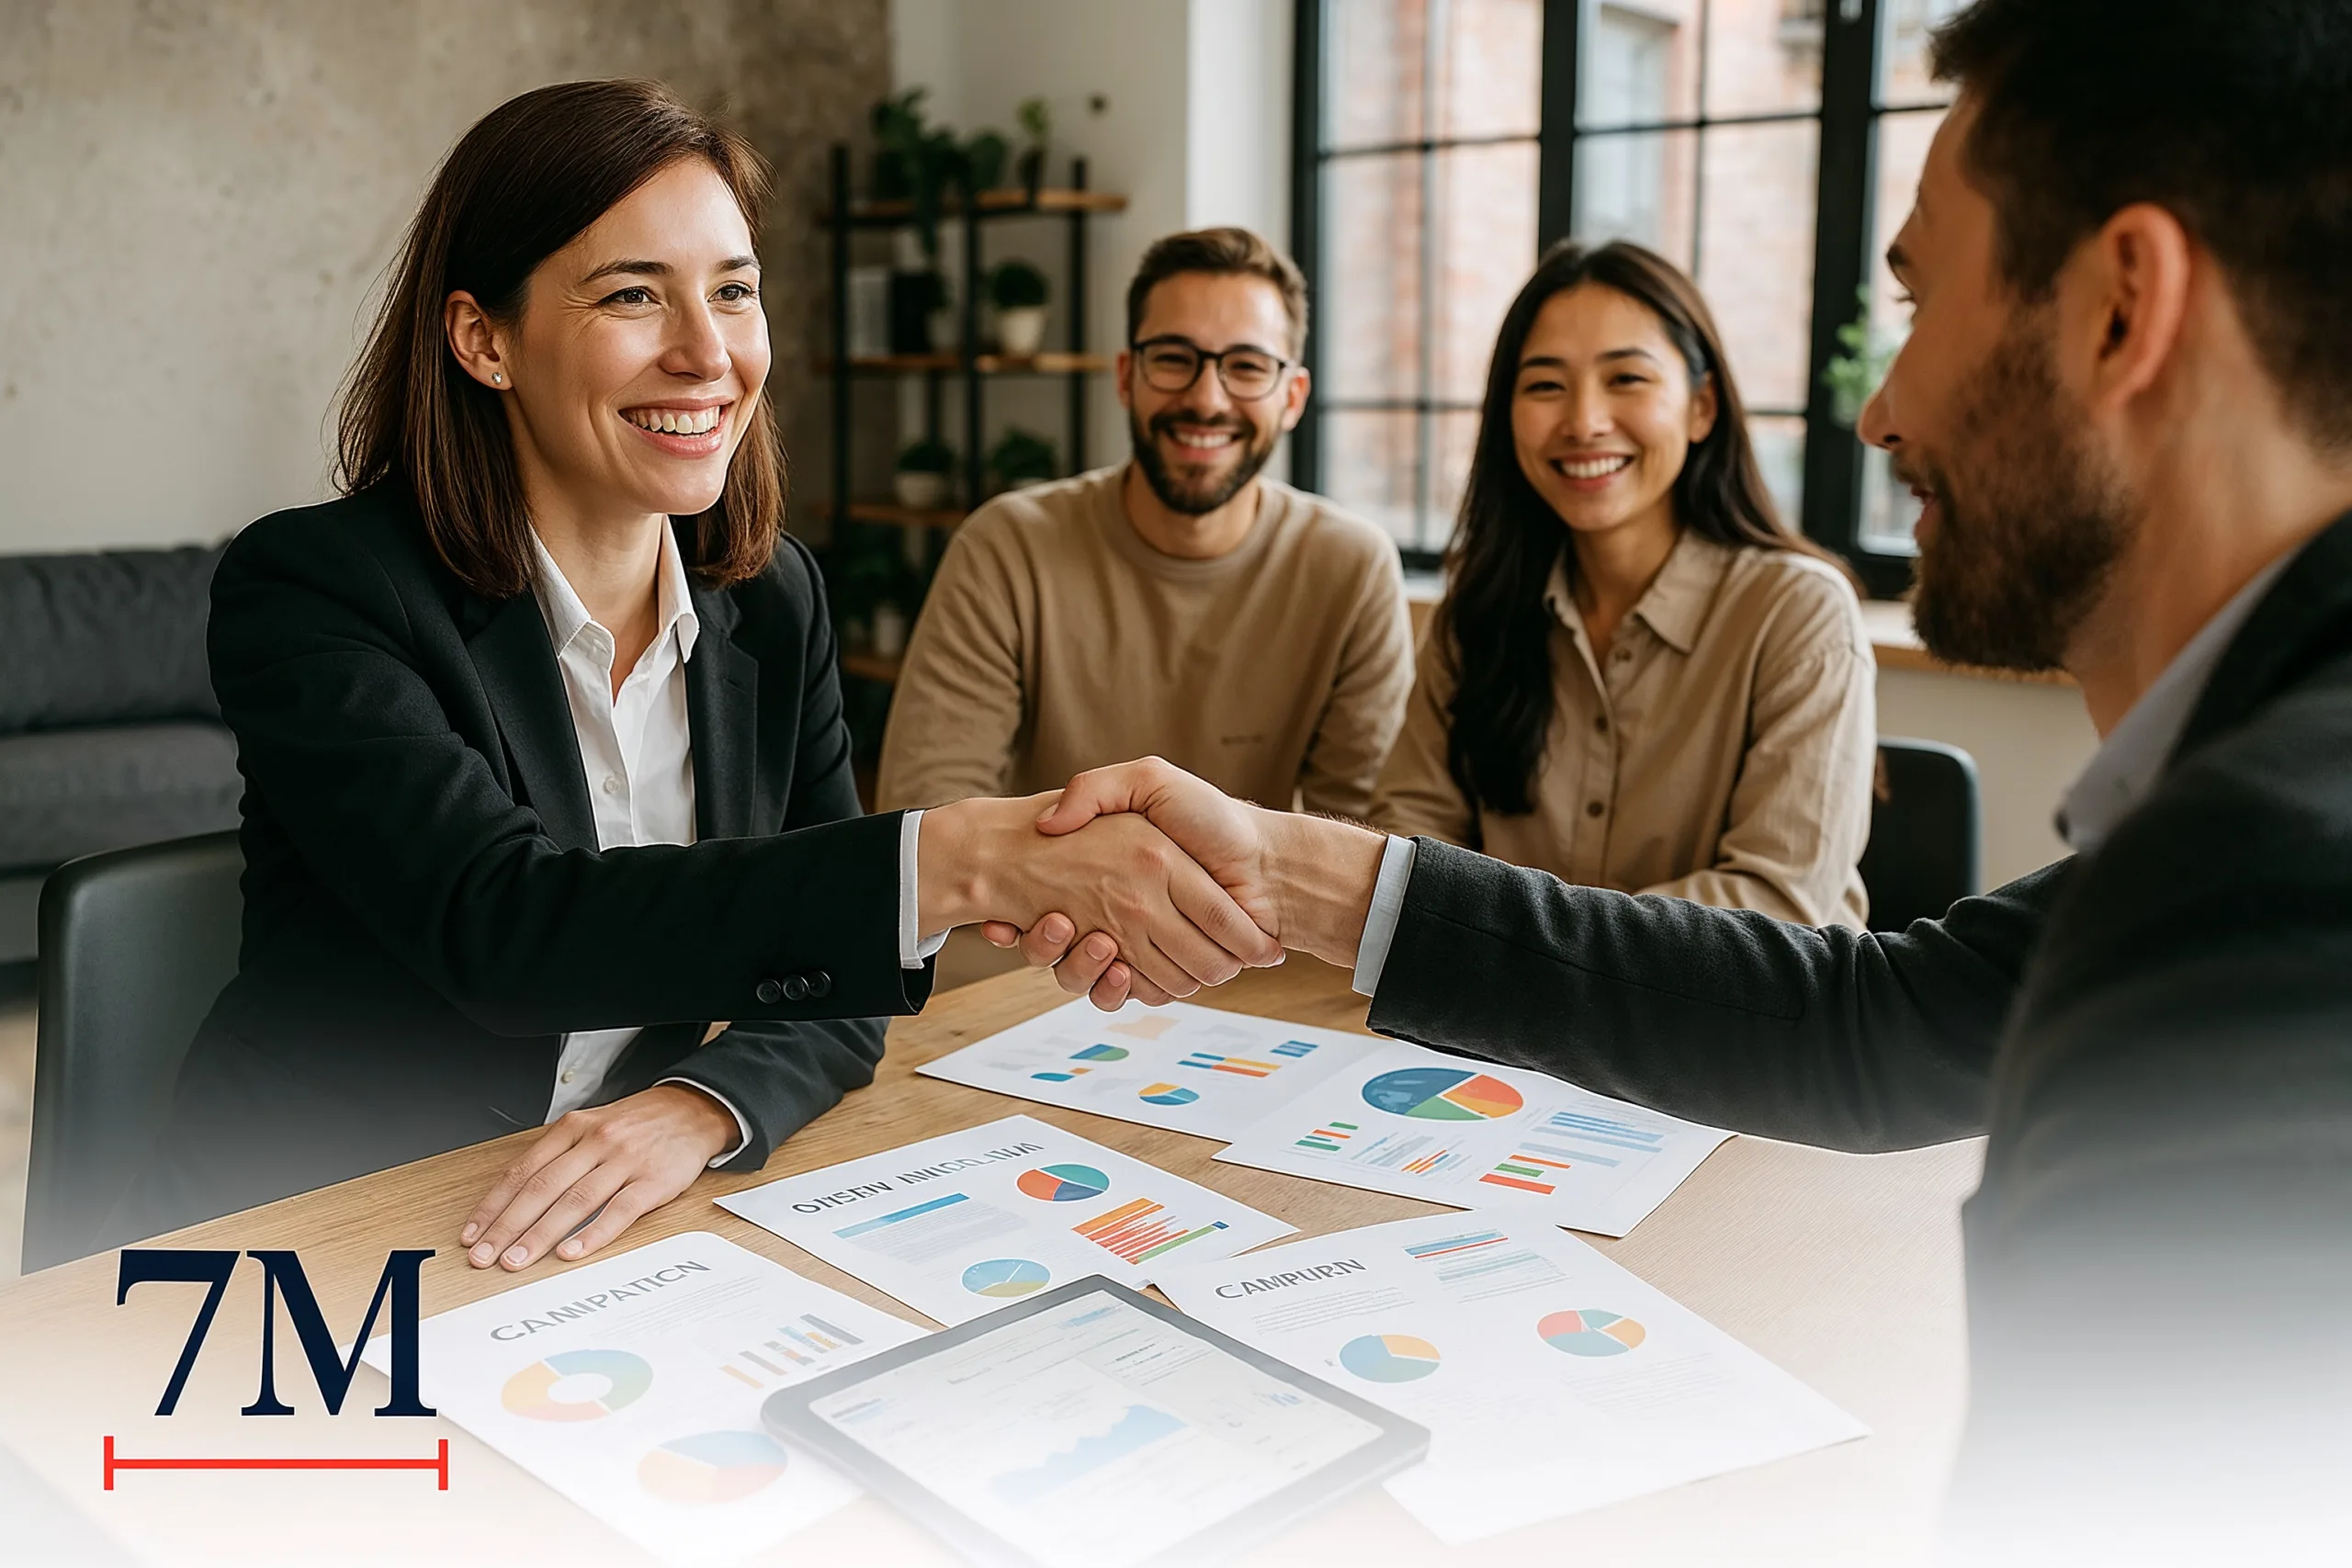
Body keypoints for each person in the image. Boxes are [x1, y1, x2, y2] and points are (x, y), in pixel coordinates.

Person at [1002, 0, 2352, 1553]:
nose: (1881, 405)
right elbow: (1870, 1023)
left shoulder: (2262, 916)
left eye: (1918, 299)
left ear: (2123, 310)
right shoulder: (2228, 835)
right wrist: (1300, 869)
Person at [119, 81, 1278, 1274]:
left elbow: (834, 979)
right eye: (634, 294)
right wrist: (959, 855)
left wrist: (702, 1104)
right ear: (484, 338)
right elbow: (504, 926)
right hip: (309, 1222)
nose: (708, 353)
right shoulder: (318, 586)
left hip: (599, 1230)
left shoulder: (774, 602)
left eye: (733, 288)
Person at [1372, 240, 1873, 923]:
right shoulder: (1479, 610)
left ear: (1702, 406)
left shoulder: (1798, 612)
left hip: (1735, 1028)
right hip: (1500, 1027)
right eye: (1545, 385)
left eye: (1627, 379)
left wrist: (1515, 948)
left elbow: (1777, 904)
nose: (1583, 422)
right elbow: (1408, 845)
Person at [875, 228, 1413, 824]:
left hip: (1244, 919)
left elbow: (1365, 848)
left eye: (1247, 366)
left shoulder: (1352, 569)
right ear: (1127, 376)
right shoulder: (1006, 547)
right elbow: (926, 817)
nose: (1207, 398)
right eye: (1175, 359)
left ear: (1293, 396)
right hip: (1038, 917)